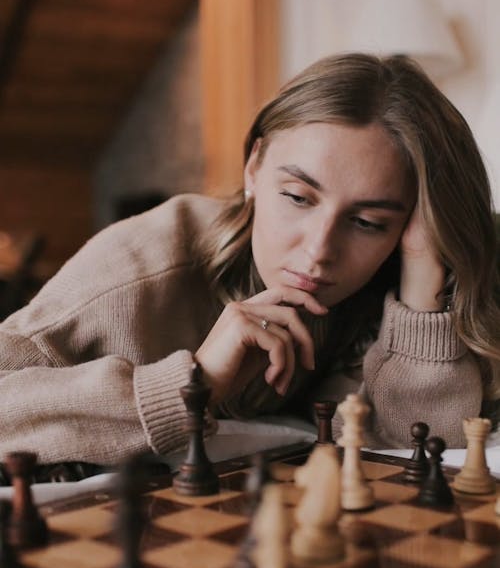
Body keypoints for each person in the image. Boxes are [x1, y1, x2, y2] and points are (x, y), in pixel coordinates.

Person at [0, 54, 498, 467]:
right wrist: (194, 384)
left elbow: (417, 446)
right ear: (255, 167)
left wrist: (423, 277)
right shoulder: (141, 264)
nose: (319, 251)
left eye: (368, 222)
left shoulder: (385, 282)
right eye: (298, 197)